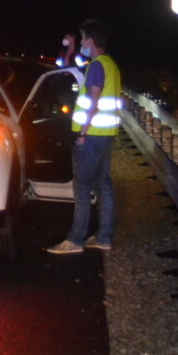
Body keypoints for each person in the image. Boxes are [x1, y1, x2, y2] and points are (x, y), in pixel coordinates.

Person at [48, 19, 122, 254]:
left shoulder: (96, 66)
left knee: (81, 188)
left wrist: (82, 132)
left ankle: (75, 240)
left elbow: (92, 99)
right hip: (106, 135)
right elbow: (72, 66)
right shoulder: (110, 65)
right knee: (104, 186)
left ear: (91, 41)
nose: (81, 43)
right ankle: (104, 238)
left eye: (82, 39)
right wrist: (70, 50)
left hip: (90, 136)